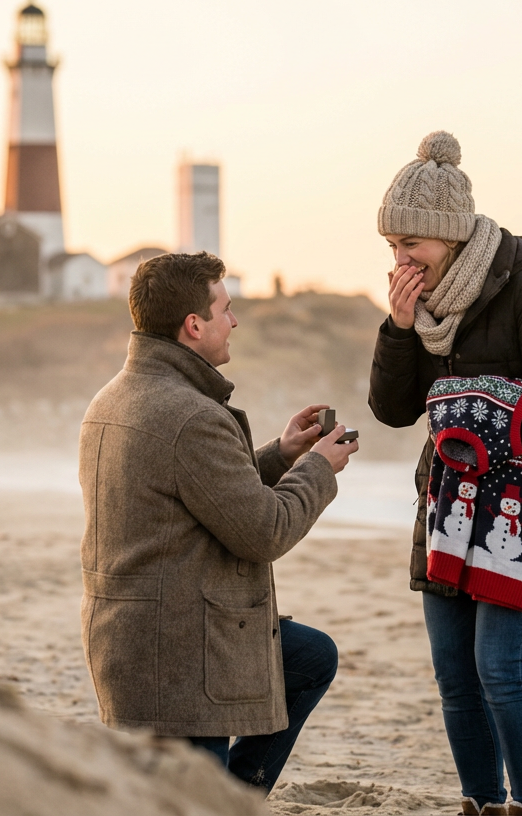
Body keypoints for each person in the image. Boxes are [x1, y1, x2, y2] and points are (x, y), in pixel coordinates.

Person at [368, 131, 522, 816]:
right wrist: (400, 328)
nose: (402, 260)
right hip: (448, 508)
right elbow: (394, 410)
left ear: (452, 237)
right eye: (393, 248)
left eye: (413, 246)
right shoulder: (424, 310)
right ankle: (479, 803)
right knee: (455, 678)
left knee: (501, 670)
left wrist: (477, 418)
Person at [78, 251, 358, 793]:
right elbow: (264, 530)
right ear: (193, 325)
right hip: (180, 659)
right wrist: (320, 468)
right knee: (192, 801)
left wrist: (282, 455)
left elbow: (198, 489)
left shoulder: (113, 398)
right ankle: (233, 802)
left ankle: (235, 799)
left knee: (308, 656)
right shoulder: (192, 415)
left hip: (128, 639)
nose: (235, 322)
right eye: (226, 310)